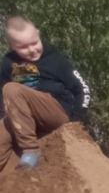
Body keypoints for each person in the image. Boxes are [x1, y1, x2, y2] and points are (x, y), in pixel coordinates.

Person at [1, 17, 89, 171]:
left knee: (12, 89)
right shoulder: (8, 63)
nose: (32, 49)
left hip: (55, 110)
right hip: (23, 116)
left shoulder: (55, 58)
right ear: (12, 45)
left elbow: (82, 89)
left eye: (34, 42)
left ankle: (30, 151)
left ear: (38, 33)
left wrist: (75, 120)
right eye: (23, 47)